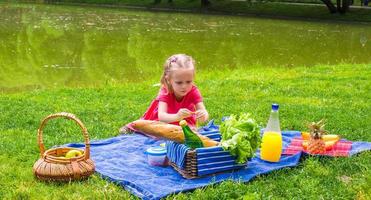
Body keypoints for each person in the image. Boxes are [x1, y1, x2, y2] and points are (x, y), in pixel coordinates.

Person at [120, 54, 209, 133]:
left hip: (184, 121)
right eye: (179, 82)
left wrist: (203, 115)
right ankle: (131, 126)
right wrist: (177, 116)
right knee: (149, 127)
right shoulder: (165, 91)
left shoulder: (193, 91)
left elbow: (203, 114)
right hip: (163, 120)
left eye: (188, 81)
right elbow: (162, 117)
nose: (184, 86)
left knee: (187, 133)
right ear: (169, 80)